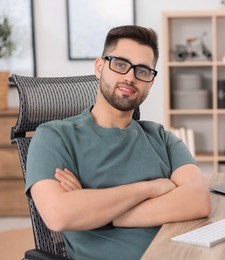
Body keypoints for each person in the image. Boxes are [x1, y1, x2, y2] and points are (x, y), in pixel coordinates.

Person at [25, 25, 211, 259]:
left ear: (150, 83)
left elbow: (198, 200)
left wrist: (100, 213)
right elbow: (59, 214)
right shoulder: (54, 137)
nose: (130, 77)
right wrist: (151, 188)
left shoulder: (161, 137)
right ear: (99, 67)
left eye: (142, 71)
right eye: (120, 64)